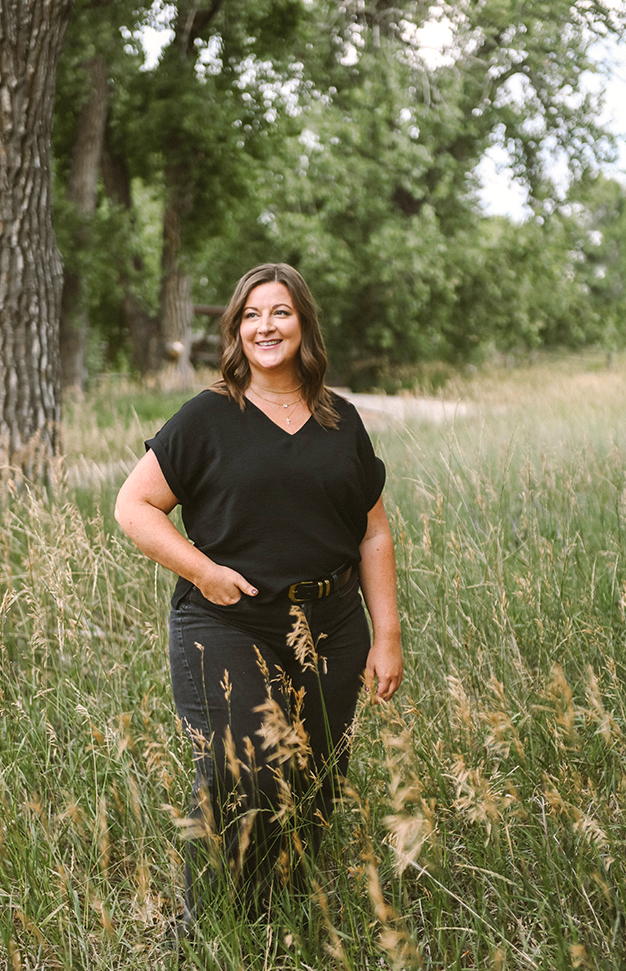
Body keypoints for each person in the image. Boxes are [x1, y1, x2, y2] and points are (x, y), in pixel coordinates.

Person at [114, 263, 402, 924]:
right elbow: (134, 506)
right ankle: (209, 932)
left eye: (279, 312)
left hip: (333, 621)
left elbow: (375, 533)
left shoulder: (342, 421)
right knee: (245, 770)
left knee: (315, 780)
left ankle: (278, 918)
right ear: (235, 330)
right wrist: (201, 570)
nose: (264, 326)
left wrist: (385, 634)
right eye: (250, 314)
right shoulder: (208, 417)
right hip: (227, 622)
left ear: (304, 325)